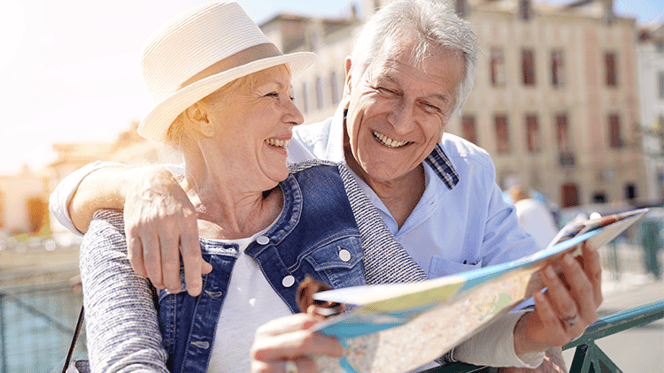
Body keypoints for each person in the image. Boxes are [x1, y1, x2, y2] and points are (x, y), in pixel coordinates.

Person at [52, 0, 603, 371]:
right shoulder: (119, 229)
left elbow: (437, 327)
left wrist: (530, 337)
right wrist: (138, 181)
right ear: (200, 116)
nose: (296, 115)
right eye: (272, 95)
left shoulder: (336, 188)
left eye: (431, 105)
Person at [508, 184, 560, 249]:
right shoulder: (538, 204)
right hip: (554, 244)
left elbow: (512, 232)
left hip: (539, 250)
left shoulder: (518, 208)